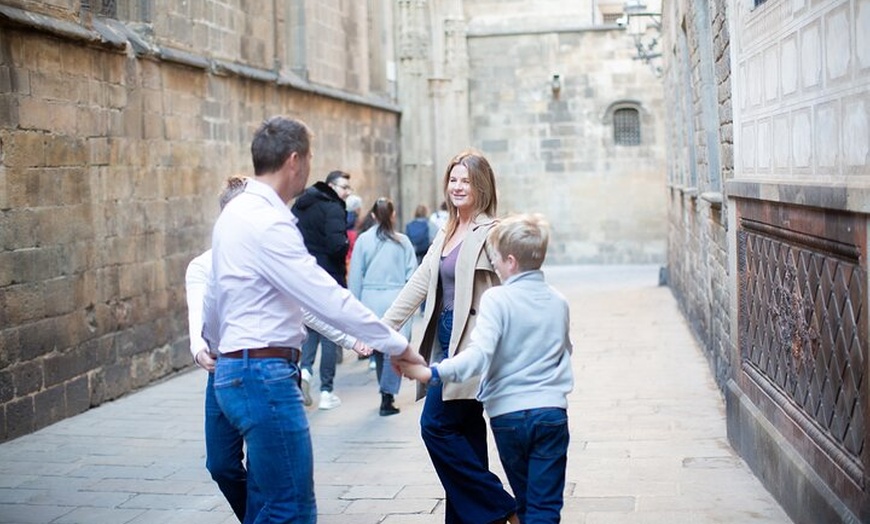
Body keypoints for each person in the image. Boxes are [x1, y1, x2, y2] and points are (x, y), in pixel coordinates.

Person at [207, 116, 423, 523]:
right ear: (294, 160)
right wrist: (396, 343)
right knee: (291, 508)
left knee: (266, 504)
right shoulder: (268, 221)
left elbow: (218, 300)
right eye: (308, 159)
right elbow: (324, 296)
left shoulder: (234, 215)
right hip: (264, 373)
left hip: (237, 369)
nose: (308, 168)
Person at [186, 175, 373, 522]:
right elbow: (196, 308)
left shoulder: (264, 258)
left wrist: (350, 338)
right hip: (222, 369)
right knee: (221, 464)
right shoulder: (202, 265)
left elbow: (308, 308)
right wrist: (198, 347)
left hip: (269, 368)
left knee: (264, 471)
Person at [402, 213, 574, 523]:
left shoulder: (496, 299)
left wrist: (434, 373)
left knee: (524, 502)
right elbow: (565, 351)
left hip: (509, 417)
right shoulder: (558, 301)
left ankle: (508, 511)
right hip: (550, 413)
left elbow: (479, 355)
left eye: (494, 259)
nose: (491, 264)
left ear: (510, 262)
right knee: (545, 507)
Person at [383, 150, 519, 524]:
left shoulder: (491, 231)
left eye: (467, 181)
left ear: (482, 187)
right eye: (453, 180)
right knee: (466, 434)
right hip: (445, 338)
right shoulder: (447, 229)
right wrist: (382, 328)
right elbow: (419, 284)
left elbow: (514, 286)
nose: (458, 187)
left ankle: (505, 508)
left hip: (472, 345)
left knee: (435, 426)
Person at [349, 197, 418, 416]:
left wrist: (354, 304)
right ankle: (388, 395)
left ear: (372, 216)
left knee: (378, 349)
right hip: (396, 298)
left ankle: (385, 392)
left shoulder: (363, 240)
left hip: (370, 298)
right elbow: (413, 275)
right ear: (393, 214)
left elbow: (356, 275)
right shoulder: (403, 242)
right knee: (393, 349)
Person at [291, 169, 353, 409]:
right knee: (330, 333)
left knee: (310, 327)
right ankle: (326, 391)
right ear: (331, 186)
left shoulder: (300, 205)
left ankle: (305, 372)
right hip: (328, 276)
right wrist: (345, 244)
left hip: (304, 277)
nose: (347, 192)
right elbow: (337, 244)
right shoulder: (333, 208)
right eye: (344, 187)